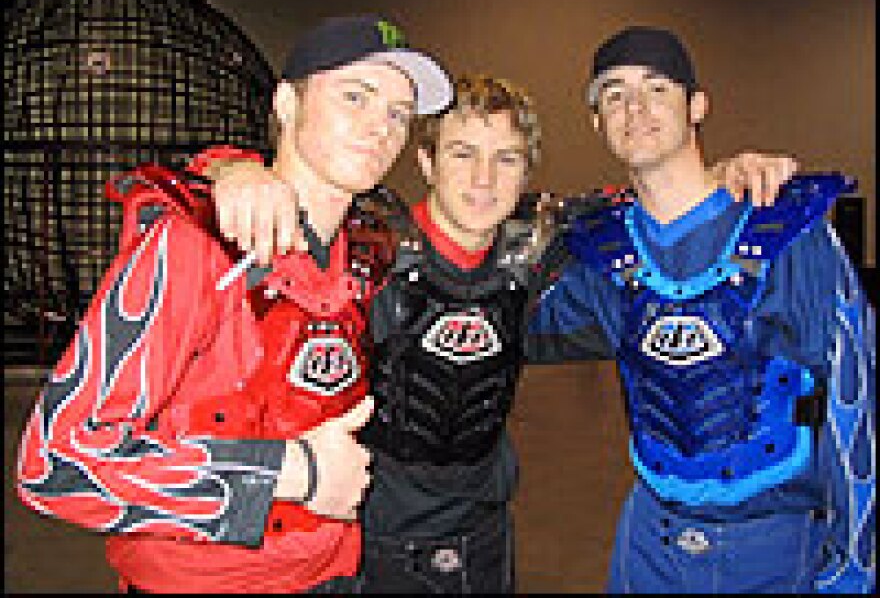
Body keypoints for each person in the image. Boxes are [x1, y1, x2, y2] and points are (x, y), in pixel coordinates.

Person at [193, 70, 798, 592]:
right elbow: (260, 194)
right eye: (462, 153)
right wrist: (231, 171)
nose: (484, 178)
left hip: (485, 530)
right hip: (375, 538)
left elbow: (659, 201)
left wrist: (727, 172)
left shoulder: (536, 254)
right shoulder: (366, 251)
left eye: (506, 158)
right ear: (426, 161)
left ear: (527, 172)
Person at [15, 13, 454, 594]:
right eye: (356, 96)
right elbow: (56, 464)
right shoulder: (193, 246)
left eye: (399, 113)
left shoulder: (362, 253)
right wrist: (289, 472)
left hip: (333, 572)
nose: (381, 128)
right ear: (287, 105)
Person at [529, 26, 875, 593]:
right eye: (612, 93)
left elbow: (856, 405)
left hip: (775, 546)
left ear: (697, 106)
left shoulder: (787, 232)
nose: (634, 107)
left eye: (656, 88)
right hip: (649, 541)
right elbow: (506, 323)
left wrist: (855, 569)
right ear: (597, 121)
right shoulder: (599, 253)